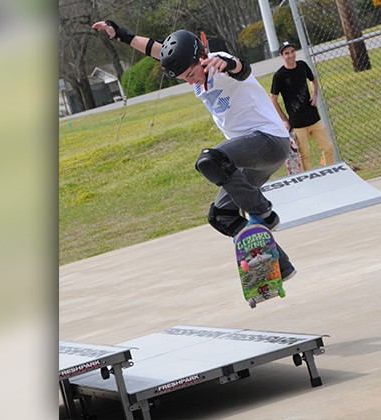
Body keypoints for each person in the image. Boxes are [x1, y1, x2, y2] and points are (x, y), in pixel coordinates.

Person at [91, 20, 297, 280]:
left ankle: (266, 214)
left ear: (201, 58)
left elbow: (242, 68)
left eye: (191, 76)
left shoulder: (216, 61)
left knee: (211, 159)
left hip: (268, 140)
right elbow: (157, 49)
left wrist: (230, 64)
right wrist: (121, 34)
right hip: (249, 159)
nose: (191, 82)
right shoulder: (191, 66)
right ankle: (282, 266)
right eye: (184, 79)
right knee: (221, 215)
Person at [270, 41, 335, 171]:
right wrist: (284, 119)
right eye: (286, 53)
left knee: (328, 148)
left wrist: (315, 94)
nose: (291, 55)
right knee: (304, 155)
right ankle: (310, 180)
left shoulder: (302, 66)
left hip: (313, 117)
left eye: (292, 52)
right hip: (297, 122)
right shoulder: (279, 75)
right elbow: (273, 99)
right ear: (282, 56)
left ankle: (329, 171)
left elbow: (313, 79)